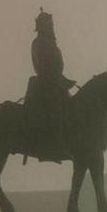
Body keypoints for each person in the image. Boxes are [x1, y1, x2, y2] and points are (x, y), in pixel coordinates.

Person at [25, 9, 75, 161]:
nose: (51, 28)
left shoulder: (49, 42)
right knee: (56, 110)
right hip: (47, 85)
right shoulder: (39, 42)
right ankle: (55, 145)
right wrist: (57, 78)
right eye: (49, 25)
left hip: (55, 82)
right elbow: (45, 65)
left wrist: (61, 78)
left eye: (51, 25)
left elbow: (57, 65)